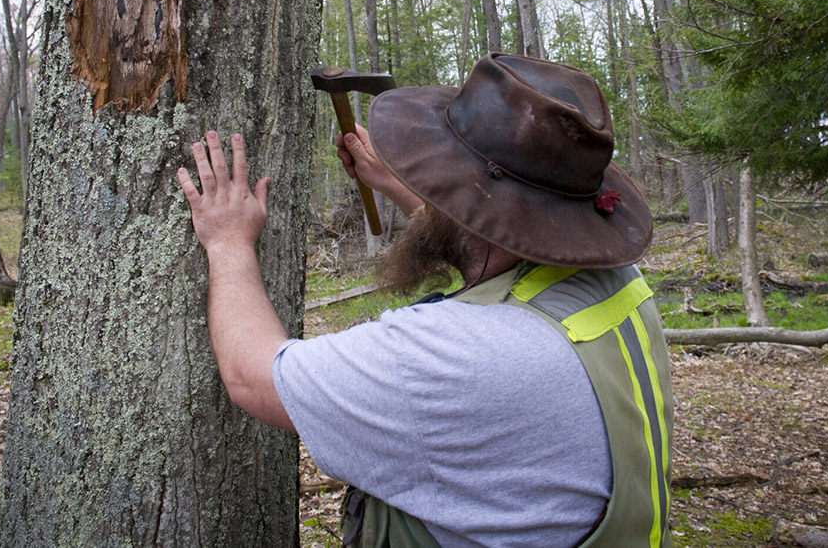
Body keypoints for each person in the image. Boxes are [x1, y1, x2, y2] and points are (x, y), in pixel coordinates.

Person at [177, 53, 673, 548]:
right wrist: (400, 183)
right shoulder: (615, 281)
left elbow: (253, 376)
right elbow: (499, 247)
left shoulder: (448, 360)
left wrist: (228, 242)